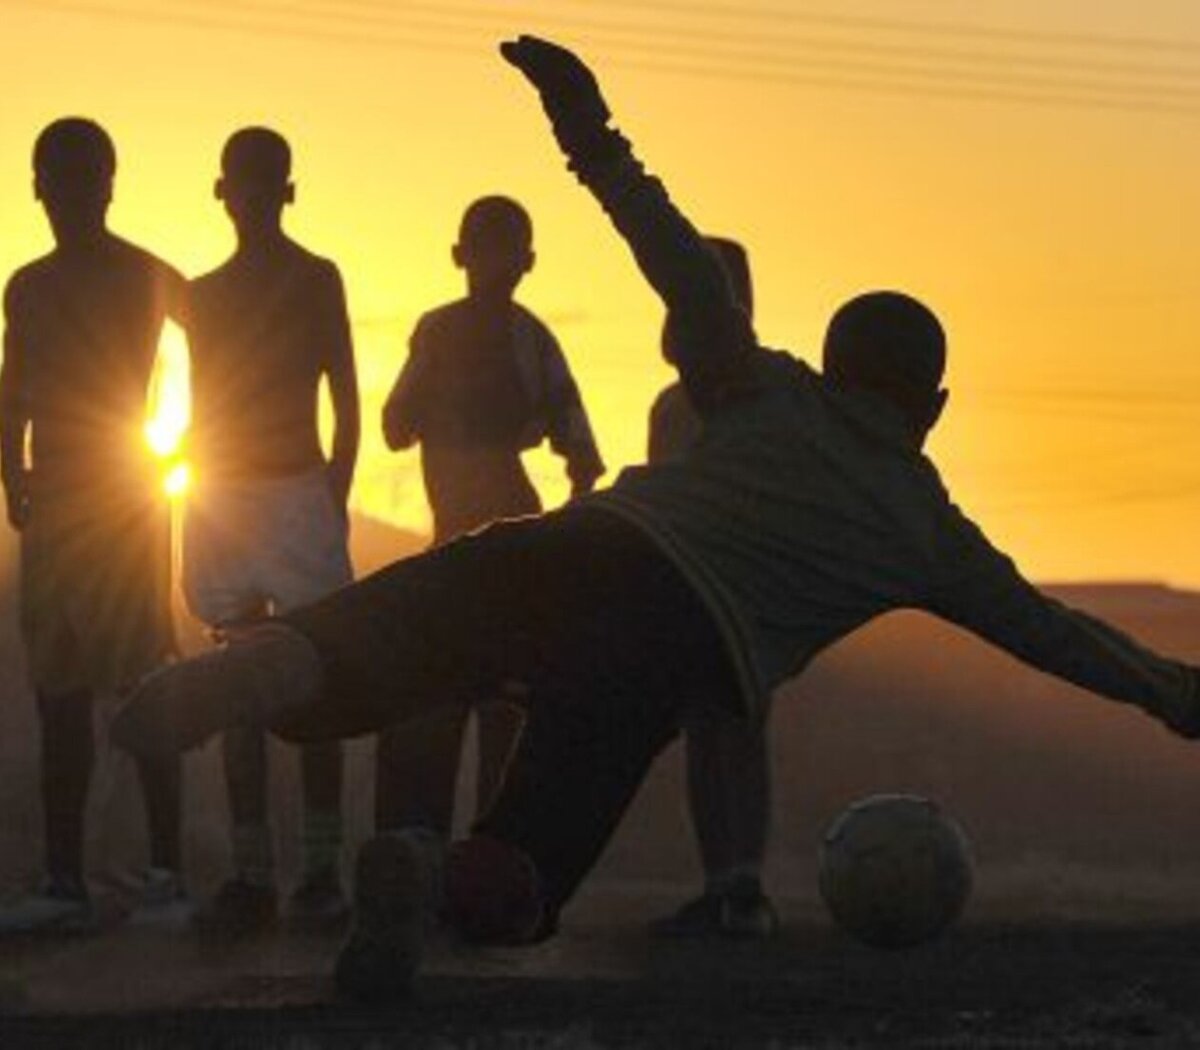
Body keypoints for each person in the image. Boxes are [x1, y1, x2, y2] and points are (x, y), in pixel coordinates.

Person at [113, 38, 1200, 1004]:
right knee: (525, 878)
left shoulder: (769, 390)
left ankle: (256, 668)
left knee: (352, 652)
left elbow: (680, 264)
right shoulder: (928, 531)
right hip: (664, 648)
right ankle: (427, 874)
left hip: (567, 545)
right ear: (934, 408)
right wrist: (1175, 695)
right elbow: (1055, 633)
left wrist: (591, 133)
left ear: (832, 368)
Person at [0, 118, 186, 933]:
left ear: (110, 183)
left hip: (126, 498)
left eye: (84, 177)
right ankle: (65, 880)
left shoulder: (151, 277)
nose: (68, 193)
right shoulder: (27, 286)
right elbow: (13, 391)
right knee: (59, 695)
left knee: (143, 685)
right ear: (36, 185)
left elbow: (230, 346)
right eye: (55, 177)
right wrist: (13, 477)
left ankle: (167, 874)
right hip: (58, 503)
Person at [376, 195, 604, 841]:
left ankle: (487, 844)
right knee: (452, 697)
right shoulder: (442, 335)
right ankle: (437, 843)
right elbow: (396, 422)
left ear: (528, 262)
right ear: (460, 257)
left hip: (508, 542)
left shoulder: (528, 341)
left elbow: (580, 448)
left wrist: (569, 529)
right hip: (463, 542)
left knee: (498, 698)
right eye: (487, 249)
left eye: (507, 251)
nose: (496, 264)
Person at [183, 126, 360, 932]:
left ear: (283, 193)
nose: (250, 199)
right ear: (224, 192)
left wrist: (330, 495)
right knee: (239, 688)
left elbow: (346, 399)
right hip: (225, 493)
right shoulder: (200, 294)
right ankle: (256, 872)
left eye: (261, 185)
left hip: (293, 493)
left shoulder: (318, 278)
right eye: (242, 185)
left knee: (314, 675)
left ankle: (318, 867)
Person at [646, 236, 777, 940]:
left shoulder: (768, 396)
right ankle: (720, 880)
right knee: (705, 727)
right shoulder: (670, 408)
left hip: (743, 578)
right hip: (686, 582)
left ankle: (745, 882)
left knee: (742, 725)